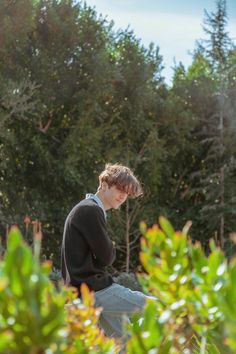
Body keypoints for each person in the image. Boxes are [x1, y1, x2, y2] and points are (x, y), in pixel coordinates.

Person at [61, 163, 153, 338]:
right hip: (96, 290)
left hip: (81, 292)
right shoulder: (90, 210)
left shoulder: (86, 209)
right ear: (104, 185)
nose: (123, 196)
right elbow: (107, 257)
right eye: (120, 190)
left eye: (127, 193)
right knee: (163, 309)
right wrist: (109, 245)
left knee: (126, 342)